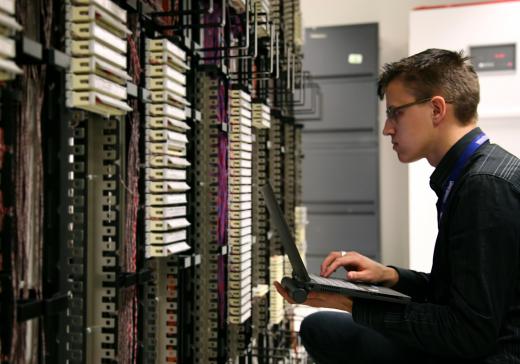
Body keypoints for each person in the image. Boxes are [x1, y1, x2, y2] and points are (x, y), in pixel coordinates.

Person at [275, 48, 520, 363]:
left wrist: (352, 304)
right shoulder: (472, 175)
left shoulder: (484, 187)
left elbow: (468, 331)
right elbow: (459, 294)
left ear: (436, 109)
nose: (387, 128)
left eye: (395, 112)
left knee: (324, 329)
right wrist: (390, 276)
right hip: (478, 343)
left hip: (491, 355)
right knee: (323, 328)